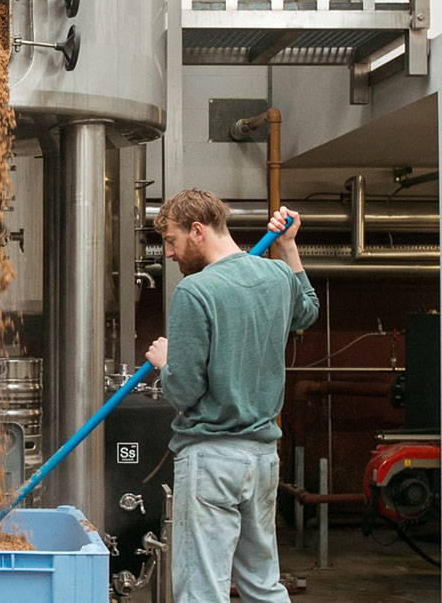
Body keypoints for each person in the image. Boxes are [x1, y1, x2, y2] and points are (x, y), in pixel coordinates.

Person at [144, 189, 319, 603]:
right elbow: (307, 311)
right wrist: (288, 248)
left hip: (211, 459)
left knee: (203, 589)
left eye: (172, 240)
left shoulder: (195, 292)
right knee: (262, 584)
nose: (169, 253)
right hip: (262, 459)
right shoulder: (276, 276)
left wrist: (165, 362)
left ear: (198, 230)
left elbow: (184, 391)